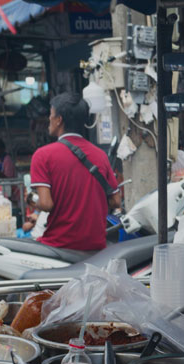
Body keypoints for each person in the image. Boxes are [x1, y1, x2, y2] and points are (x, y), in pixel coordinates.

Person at [28, 93, 121, 251]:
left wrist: (32, 202)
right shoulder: (100, 155)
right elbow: (116, 201)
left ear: (59, 120)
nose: (49, 120)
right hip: (96, 246)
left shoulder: (43, 155)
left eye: (51, 115)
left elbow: (45, 203)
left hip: (59, 245)